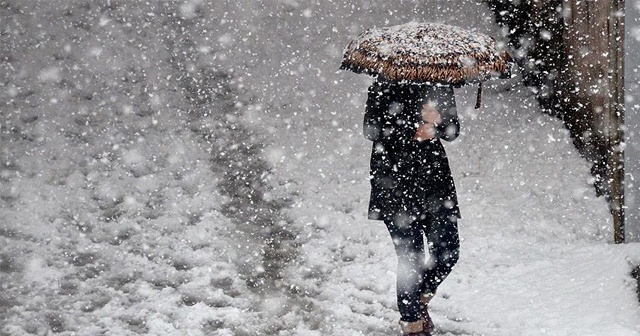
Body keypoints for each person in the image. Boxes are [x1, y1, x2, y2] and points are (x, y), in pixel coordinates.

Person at [363, 79, 461, 336]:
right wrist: (413, 125)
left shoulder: (439, 84)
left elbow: (453, 131)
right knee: (411, 258)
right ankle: (412, 324)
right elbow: (371, 130)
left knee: (448, 251)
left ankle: (418, 300)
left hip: (435, 184)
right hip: (394, 184)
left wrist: (438, 125)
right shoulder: (383, 85)